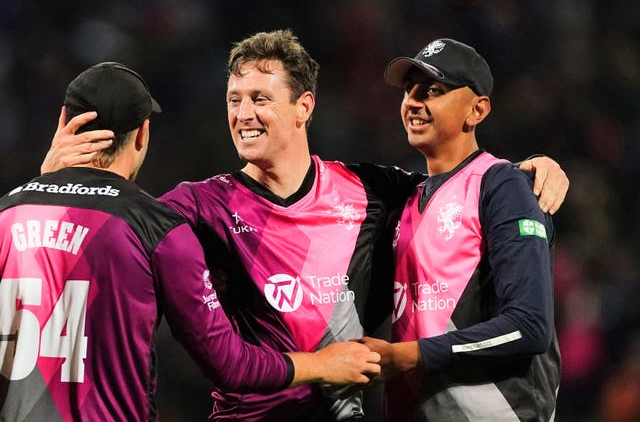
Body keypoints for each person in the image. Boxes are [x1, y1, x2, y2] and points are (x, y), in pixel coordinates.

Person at [40, 31, 568, 421]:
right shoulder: (199, 206)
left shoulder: (374, 192)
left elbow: (459, 188)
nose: (243, 113)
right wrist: (50, 181)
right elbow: (104, 234)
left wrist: (527, 170)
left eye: (261, 99)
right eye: (234, 100)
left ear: (304, 107)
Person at [0, 62, 382, 422]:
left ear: (62, 122)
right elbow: (231, 364)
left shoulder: (6, 213)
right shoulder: (156, 228)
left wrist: (45, 185)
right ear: (143, 134)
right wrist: (323, 364)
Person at [357, 38, 561, 421]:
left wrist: (410, 354)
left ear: (477, 110)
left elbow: (530, 326)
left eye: (433, 90)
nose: (413, 101)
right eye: (409, 90)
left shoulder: (503, 186)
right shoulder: (404, 200)